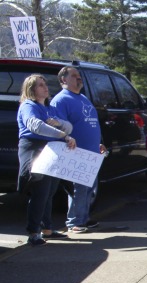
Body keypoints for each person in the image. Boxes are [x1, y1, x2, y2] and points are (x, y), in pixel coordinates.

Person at [17, 74, 76, 246]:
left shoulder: (49, 108)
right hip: (35, 149)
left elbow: (68, 125)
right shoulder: (28, 106)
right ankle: (33, 232)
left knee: (50, 191)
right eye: (41, 85)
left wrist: (58, 125)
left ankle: (47, 229)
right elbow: (35, 125)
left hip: (51, 150)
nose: (45, 87)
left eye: (45, 84)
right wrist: (62, 134)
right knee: (40, 192)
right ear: (31, 89)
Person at [50, 66, 105, 234]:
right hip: (76, 152)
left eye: (79, 75)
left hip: (92, 152)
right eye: (74, 76)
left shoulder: (82, 98)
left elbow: (92, 122)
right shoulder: (60, 100)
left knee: (89, 188)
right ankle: (74, 221)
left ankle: (84, 217)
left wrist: (99, 142)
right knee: (79, 188)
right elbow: (59, 126)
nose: (78, 78)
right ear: (63, 80)